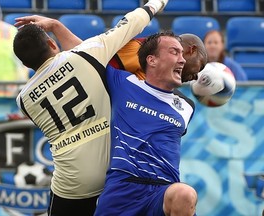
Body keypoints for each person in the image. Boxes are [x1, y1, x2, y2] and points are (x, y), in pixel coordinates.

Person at [12, 0, 169, 215]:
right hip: (114, 174)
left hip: (70, 185)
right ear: (51, 44)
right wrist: (155, 3)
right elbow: (130, 23)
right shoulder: (86, 54)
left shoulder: (23, 100)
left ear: (25, 64)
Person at [94, 31, 198, 216]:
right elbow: (85, 57)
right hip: (121, 189)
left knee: (185, 194)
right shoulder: (123, 83)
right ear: (152, 60)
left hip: (162, 192)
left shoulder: (186, 107)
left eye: (182, 54)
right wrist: (56, 26)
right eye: (175, 52)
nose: (183, 60)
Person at [110, 33, 207, 82]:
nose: (195, 77)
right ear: (192, 50)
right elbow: (103, 73)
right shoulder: (140, 48)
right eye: (199, 68)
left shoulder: (166, 79)